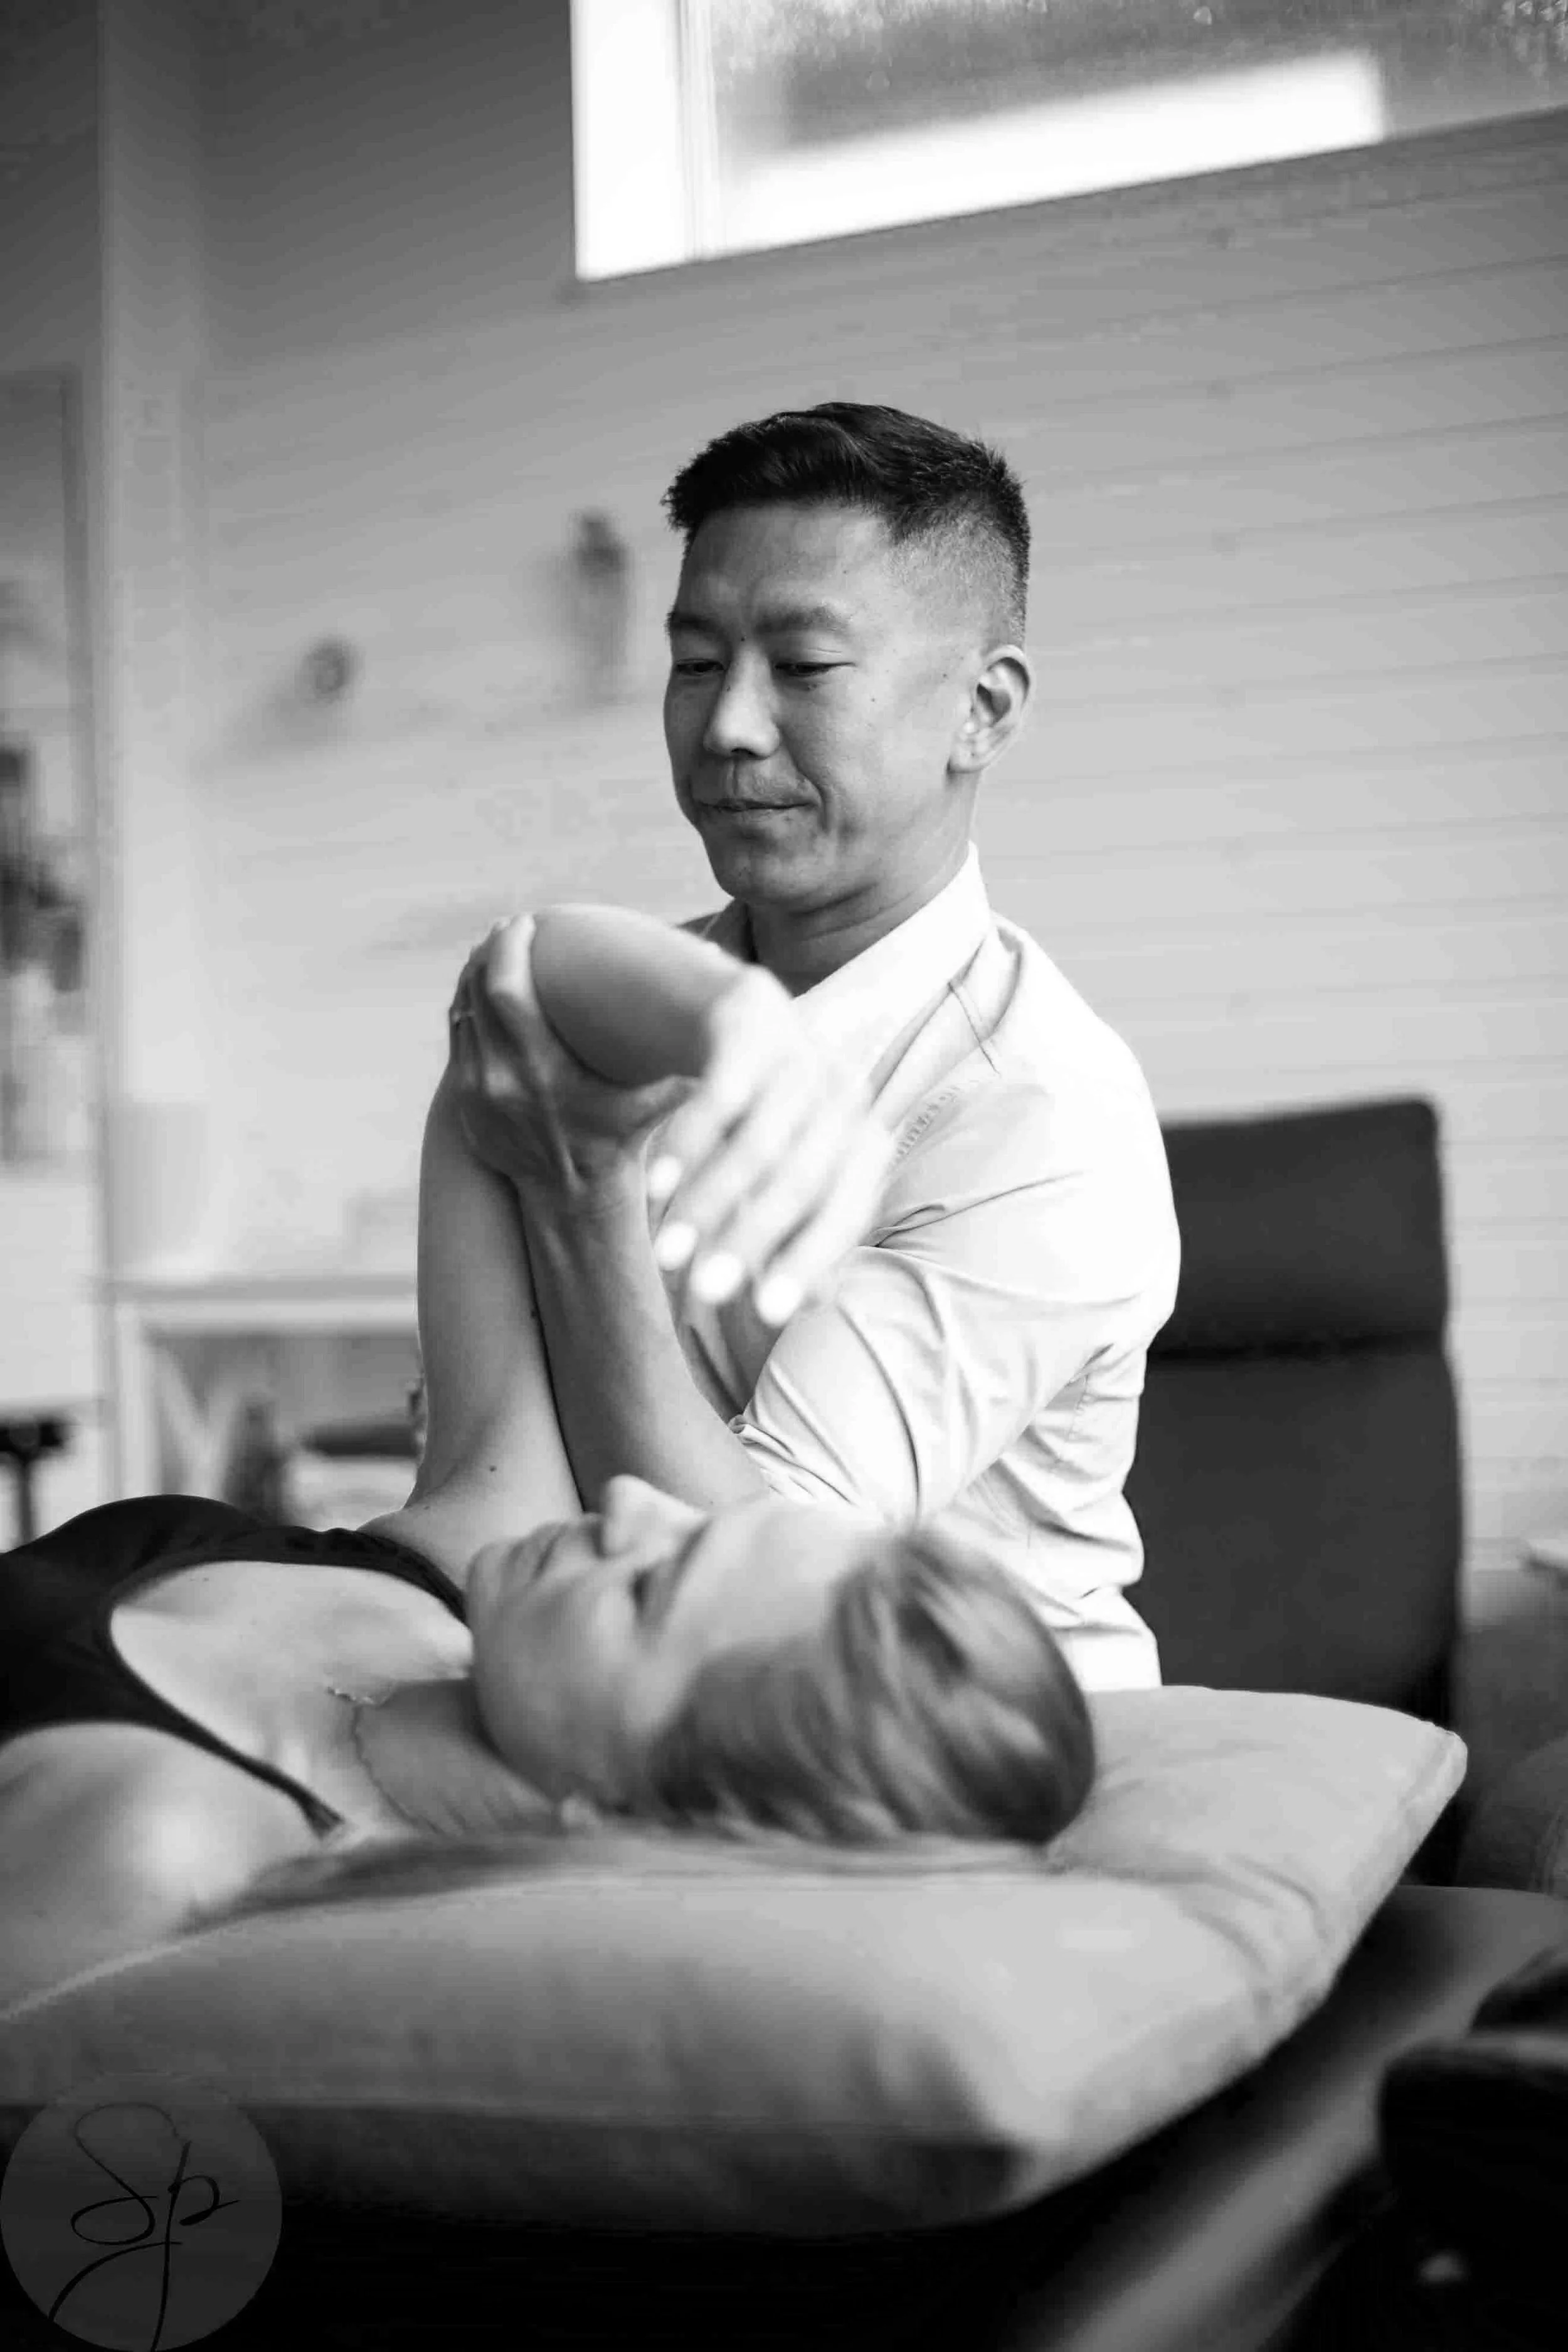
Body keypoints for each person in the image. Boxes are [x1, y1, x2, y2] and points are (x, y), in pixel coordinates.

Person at [0, 912, 1094, 2015]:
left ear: (630, 1810)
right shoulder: (473, 1573)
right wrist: (738, 1022)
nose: (627, 1500)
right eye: (701, 1529)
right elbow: (513, 1016)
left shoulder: (171, 1853)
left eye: (653, 1590)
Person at [455, 401, 1181, 1694]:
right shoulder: (648, 1000)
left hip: (937, 1744)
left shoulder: (1040, 1111)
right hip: (613, 1694)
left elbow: (740, 1590)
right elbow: (507, 979)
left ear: (982, 708)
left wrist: (584, 1198)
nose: (728, 727)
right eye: (693, 663)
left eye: (801, 667)